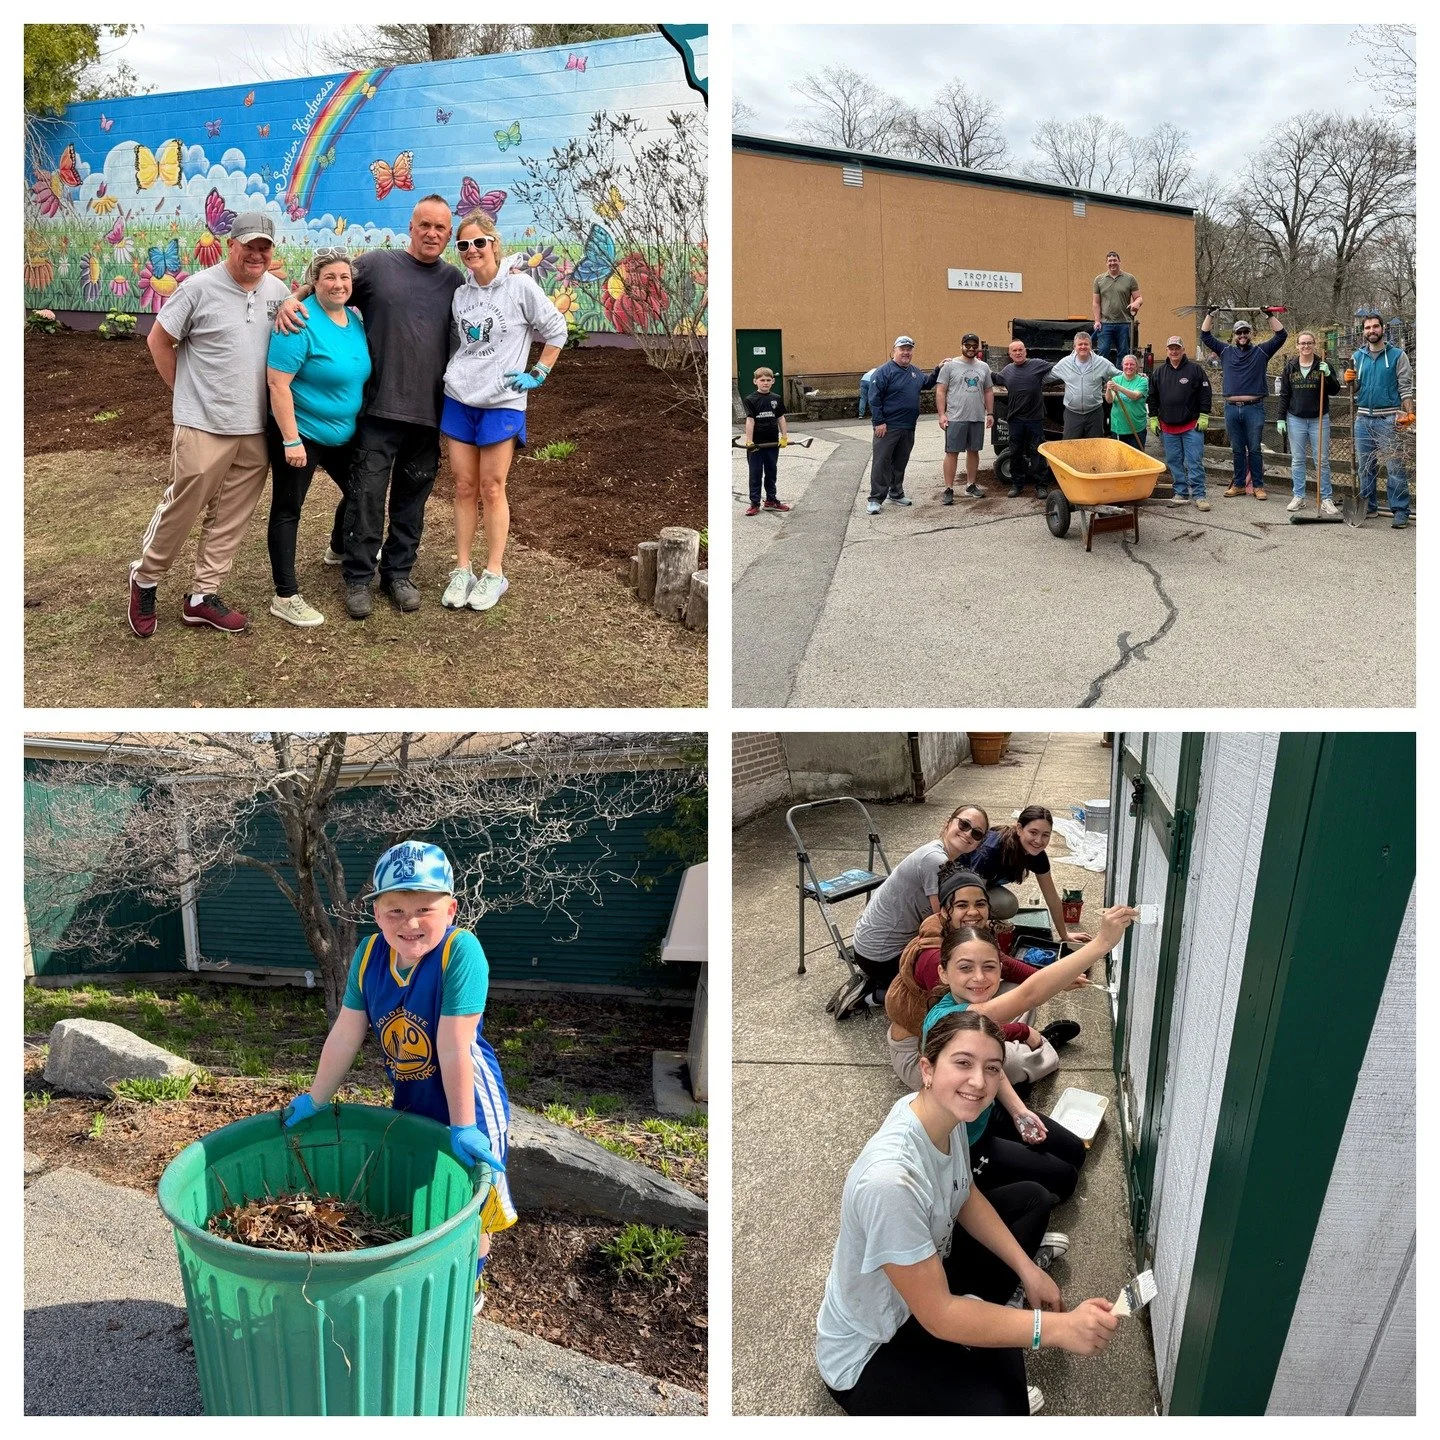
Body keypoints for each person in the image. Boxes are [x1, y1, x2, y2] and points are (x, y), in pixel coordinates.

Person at [815, 1008, 1120, 1416]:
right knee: (1003, 1404)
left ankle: (984, 1317)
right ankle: (977, 1333)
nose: (978, 1081)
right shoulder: (889, 1183)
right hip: (872, 1348)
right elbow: (940, 1315)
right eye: (963, 1063)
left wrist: (1028, 1269)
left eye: (992, 1068)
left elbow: (966, 1193)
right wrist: (1055, 1330)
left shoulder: (945, 1116)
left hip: (926, 1281)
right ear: (927, 1068)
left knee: (1032, 1199)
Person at [282, 840, 514, 1314]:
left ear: (450, 909)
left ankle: (468, 1285)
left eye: (424, 909)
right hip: (411, 1091)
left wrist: (463, 1125)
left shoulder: (460, 953)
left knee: (474, 1205)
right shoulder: (369, 955)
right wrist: (316, 1098)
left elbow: (454, 1045)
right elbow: (346, 1032)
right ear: (376, 913)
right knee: (417, 1184)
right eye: (395, 911)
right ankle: (421, 1273)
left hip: (469, 1099)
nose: (410, 923)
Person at [276, 196, 464, 619]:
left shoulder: (454, 280)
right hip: (378, 410)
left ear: (449, 234)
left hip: (428, 412)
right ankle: (358, 577)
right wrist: (295, 297)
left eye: (440, 228)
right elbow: (333, 283)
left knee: (412, 500)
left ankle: (398, 574)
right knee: (367, 496)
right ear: (411, 227)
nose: (432, 233)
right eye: (424, 225)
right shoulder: (378, 266)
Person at [127, 212, 291, 638]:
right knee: (182, 508)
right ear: (229, 245)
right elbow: (159, 340)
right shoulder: (197, 288)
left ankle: (203, 595)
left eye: (264, 248)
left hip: (254, 428)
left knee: (231, 516)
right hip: (204, 423)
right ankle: (146, 578)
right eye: (249, 246)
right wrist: (183, 392)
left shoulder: (278, 291)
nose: (256, 254)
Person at [437, 212, 567, 611]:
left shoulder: (520, 286)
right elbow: (461, 343)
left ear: (494, 244)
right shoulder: (461, 294)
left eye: (479, 242)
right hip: (460, 398)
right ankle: (462, 570)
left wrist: (538, 372)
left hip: (502, 402)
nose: (471, 250)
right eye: (463, 245)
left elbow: (556, 329)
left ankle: (494, 573)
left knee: (492, 487)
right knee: (463, 486)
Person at [883, 870, 1080, 1095]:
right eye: (962, 905)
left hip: (962, 1027)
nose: (973, 912)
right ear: (945, 911)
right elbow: (962, 1031)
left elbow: (1008, 966)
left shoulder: (964, 932)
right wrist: (1022, 1031)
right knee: (1010, 1062)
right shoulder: (933, 959)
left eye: (980, 904)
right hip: (922, 1053)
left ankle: (1024, 1055)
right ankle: (1036, 1053)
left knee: (1018, 990)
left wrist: (1057, 977)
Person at [264, 248, 372, 627]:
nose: (338, 284)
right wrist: (290, 440)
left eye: (344, 277)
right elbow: (277, 384)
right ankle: (285, 595)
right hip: (303, 433)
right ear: (315, 281)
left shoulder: (353, 319)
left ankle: (338, 549)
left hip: (343, 434)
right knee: (288, 508)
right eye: (330, 277)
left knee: (361, 492)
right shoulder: (298, 320)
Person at [839, 804, 991, 1013]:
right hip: (881, 956)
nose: (968, 834)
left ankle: (879, 981)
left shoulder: (941, 853)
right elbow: (942, 921)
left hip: (870, 945)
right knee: (950, 985)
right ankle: (869, 995)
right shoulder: (935, 860)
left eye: (976, 833)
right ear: (948, 823)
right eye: (964, 824)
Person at [966, 806, 1091, 943]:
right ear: (1019, 829)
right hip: (958, 889)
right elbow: (971, 896)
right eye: (1033, 832)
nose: (1038, 840)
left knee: (1008, 904)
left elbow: (1052, 898)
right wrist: (979, 933)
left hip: (980, 887)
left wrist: (1064, 935)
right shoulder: (992, 850)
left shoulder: (1037, 855)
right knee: (975, 907)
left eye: (1045, 835)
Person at [1199, 308, 1287, 501]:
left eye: (1245, 332)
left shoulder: (1261, 351)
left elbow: (1281, 335)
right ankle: (1239, 485)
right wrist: (1211, 314)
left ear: (1250, 334)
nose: (1242, 335)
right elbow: (1205, 335)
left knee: (1254, 448)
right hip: (1231, 409)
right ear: (1234, 335)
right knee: (1237, 449)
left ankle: (1258, 486)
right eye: (1239, 332)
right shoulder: (1225, 351)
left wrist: (1269, 315)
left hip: (1254, 408)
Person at [1349, 314, 1415, 528]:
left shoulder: (1397, 355)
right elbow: (1354, 388)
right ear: (1363, 331)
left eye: (1375, 326)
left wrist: (1409, 413)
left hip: (1388, 419)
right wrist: (1349, 381)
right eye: (1367, 327)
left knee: (1395, 466)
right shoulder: (1357, 357)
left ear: (1383, 328)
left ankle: (1400, 510)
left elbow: (1405, 387)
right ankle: (1369, 506)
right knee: (1365, 466)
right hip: (1363, 419)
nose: (1372, 330)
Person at [867, 336, 941, 514]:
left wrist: (938, 369)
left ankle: (896, 493)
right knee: (881, 462)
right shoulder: (883, 372)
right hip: (888, 426)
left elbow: (927, 383)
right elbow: (874, 398)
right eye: (902, 349)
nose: (906, 352)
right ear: (894, 350)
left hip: (908, 426)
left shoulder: (914, 371)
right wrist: (879, 422)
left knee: (900, 462)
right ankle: (875, 498)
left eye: (909, 349)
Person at [1277, 333, 1342, 518]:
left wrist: (1328, 375)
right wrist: (1281, 418)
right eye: (1302, 343)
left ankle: (1326, 498)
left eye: (1309, 343)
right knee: (1298, 459)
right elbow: (1284, 394)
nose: (1306, 346)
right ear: (1297, 346)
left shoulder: (1323, 365)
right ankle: (1299, 496)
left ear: (1314, 345)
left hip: (1319, 419)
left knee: (1321, 460)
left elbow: (1335, 390)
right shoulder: (1290, 367)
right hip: (1295, 419)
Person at [1147, 335, 1212, 510]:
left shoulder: (1195, 370)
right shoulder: (1159, 373)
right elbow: (1152, 397)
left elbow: (1205, 394)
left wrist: (1204, 415)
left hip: (1191, 426)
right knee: (1174, 461)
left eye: (1177, 348)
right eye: (1171, 348)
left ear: (1183, 350)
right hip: (1168, 427)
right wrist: (1153, 417)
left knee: (1194, 461)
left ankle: (1199, 495)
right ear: (1167, 350)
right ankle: (1180, 492)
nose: (1174, 351)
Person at [935, 333, 993, 505]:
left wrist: (990, 413)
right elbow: (940, 391)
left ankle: (971, 485)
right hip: (955, 417)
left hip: (977, 416)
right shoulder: (950, 366)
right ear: (961, 346)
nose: (971, 349)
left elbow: (988, 390)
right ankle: (948, 488)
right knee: (952, 452)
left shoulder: (983, 367)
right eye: (967, 345)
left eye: (974, 346)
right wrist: (942, 414)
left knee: (974, 451)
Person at [996, 339, 1053, 499]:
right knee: (1015, 453)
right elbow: (991, 377)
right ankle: (1017, 485)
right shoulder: (1007, 370)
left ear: (1025, 351)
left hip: (1035, 419)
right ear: (1010, 354)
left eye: (1020, 350)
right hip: (1015, 419)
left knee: (1038, 452)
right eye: (1014, 351)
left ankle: (1041, 486)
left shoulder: (1037, 364)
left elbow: (1059, 366)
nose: (1018, 353)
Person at [741, 366, 792, 518]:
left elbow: (780, 418)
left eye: (768, 380)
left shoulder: (776, 398)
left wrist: (784, 436)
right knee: (755, 474)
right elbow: (750, 420)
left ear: (773, 381)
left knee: (771, 472)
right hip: (756, 444)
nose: (765, 383)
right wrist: (749, 440)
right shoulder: (750, 399)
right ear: (755, 381)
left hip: (772, 442)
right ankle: (754, 503)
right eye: (762, 380)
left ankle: (771, 500)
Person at [1050, 332, 1119, 439]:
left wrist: (1137, 377)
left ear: (1091, 346)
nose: (1083, 347)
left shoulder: (1102, 363)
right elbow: (1049, 376)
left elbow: (1119, 376)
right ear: (1074, 347)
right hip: (1072, 413)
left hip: (1094, 413)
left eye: (1086, 344)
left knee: (1095, 445)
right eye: (1080, 344)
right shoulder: (1065, 363)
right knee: (1070, 445)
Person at [1091, 251, 1142, 367]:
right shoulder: (1099, 280)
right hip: (1105, 324)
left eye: (1115, 260)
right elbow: (1096, 302)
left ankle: (1121, 376)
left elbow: (1139, 298)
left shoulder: (1130, 279)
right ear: (1106, 263)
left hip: (1124, 323)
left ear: (1119, 261)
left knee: (1123, 353)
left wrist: (1136, 303)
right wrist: (1097, 321)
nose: (1112, 263)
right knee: (1103, 351)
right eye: (1110, 261)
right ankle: (1103, 376)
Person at [1104, 355, 1149, 449]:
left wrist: (1119, 388)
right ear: (1122, 366)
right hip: (1118, 428)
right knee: (1119, 456)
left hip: (1136, 428)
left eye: (1132, 364)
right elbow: (1109, 400)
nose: (1129, 367)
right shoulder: (1116, 380)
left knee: (1136, 456)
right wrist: (1108, 389)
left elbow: (1135, 396)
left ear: (1136, 366)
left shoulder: (1142, 381)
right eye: (1126, 364)